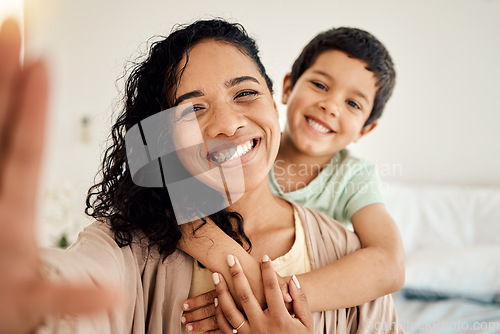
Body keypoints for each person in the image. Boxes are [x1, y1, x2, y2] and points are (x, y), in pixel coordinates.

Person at [0, 18, 401, 333]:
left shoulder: (351, 259)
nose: (228, 124)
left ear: (271, 104)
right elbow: (71, 283)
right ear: (162, 138)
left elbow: (389, 264)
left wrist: (279, 298)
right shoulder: (127, 248)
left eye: (244, 93)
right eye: (192, 109)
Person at [180, 25, 404, 331]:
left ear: (365, 129)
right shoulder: (247, 150)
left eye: (353, 103)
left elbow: (389, 265)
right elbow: (178, 210)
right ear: (287, 88)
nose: (330, 105)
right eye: (320, 85)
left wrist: (275, 295)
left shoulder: (354, 176)